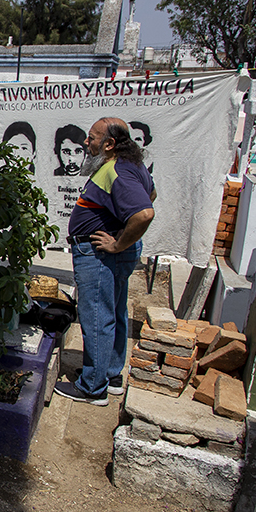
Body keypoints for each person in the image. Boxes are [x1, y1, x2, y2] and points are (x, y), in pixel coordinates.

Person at [55, 117, 156, 406]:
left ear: (109, 144)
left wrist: (117, 241)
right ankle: (110, 374)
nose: (87, 143)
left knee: (97, 316)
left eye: (92, 139)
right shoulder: (132, 166)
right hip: (113, 252)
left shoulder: (116, 170)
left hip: (99, 254)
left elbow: (144, 213)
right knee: (113, 311)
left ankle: (92, 388)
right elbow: (152, 194)